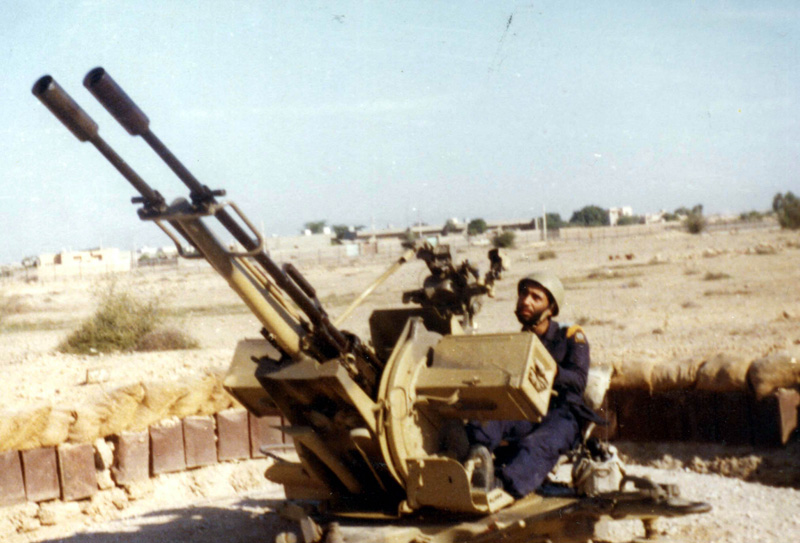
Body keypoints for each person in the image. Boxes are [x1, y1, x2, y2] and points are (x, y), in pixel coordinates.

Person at [465, 271, 602, 498]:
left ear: (551, 308)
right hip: (527, 407)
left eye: (536, 297)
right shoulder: (519, 341)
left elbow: (578, 381)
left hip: (563, 413)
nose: (526, 301)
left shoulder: (570, 335)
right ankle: (472, 463)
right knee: (484, 424)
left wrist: (551, 371)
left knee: (536, 445)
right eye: (523, 294)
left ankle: (501, 485)